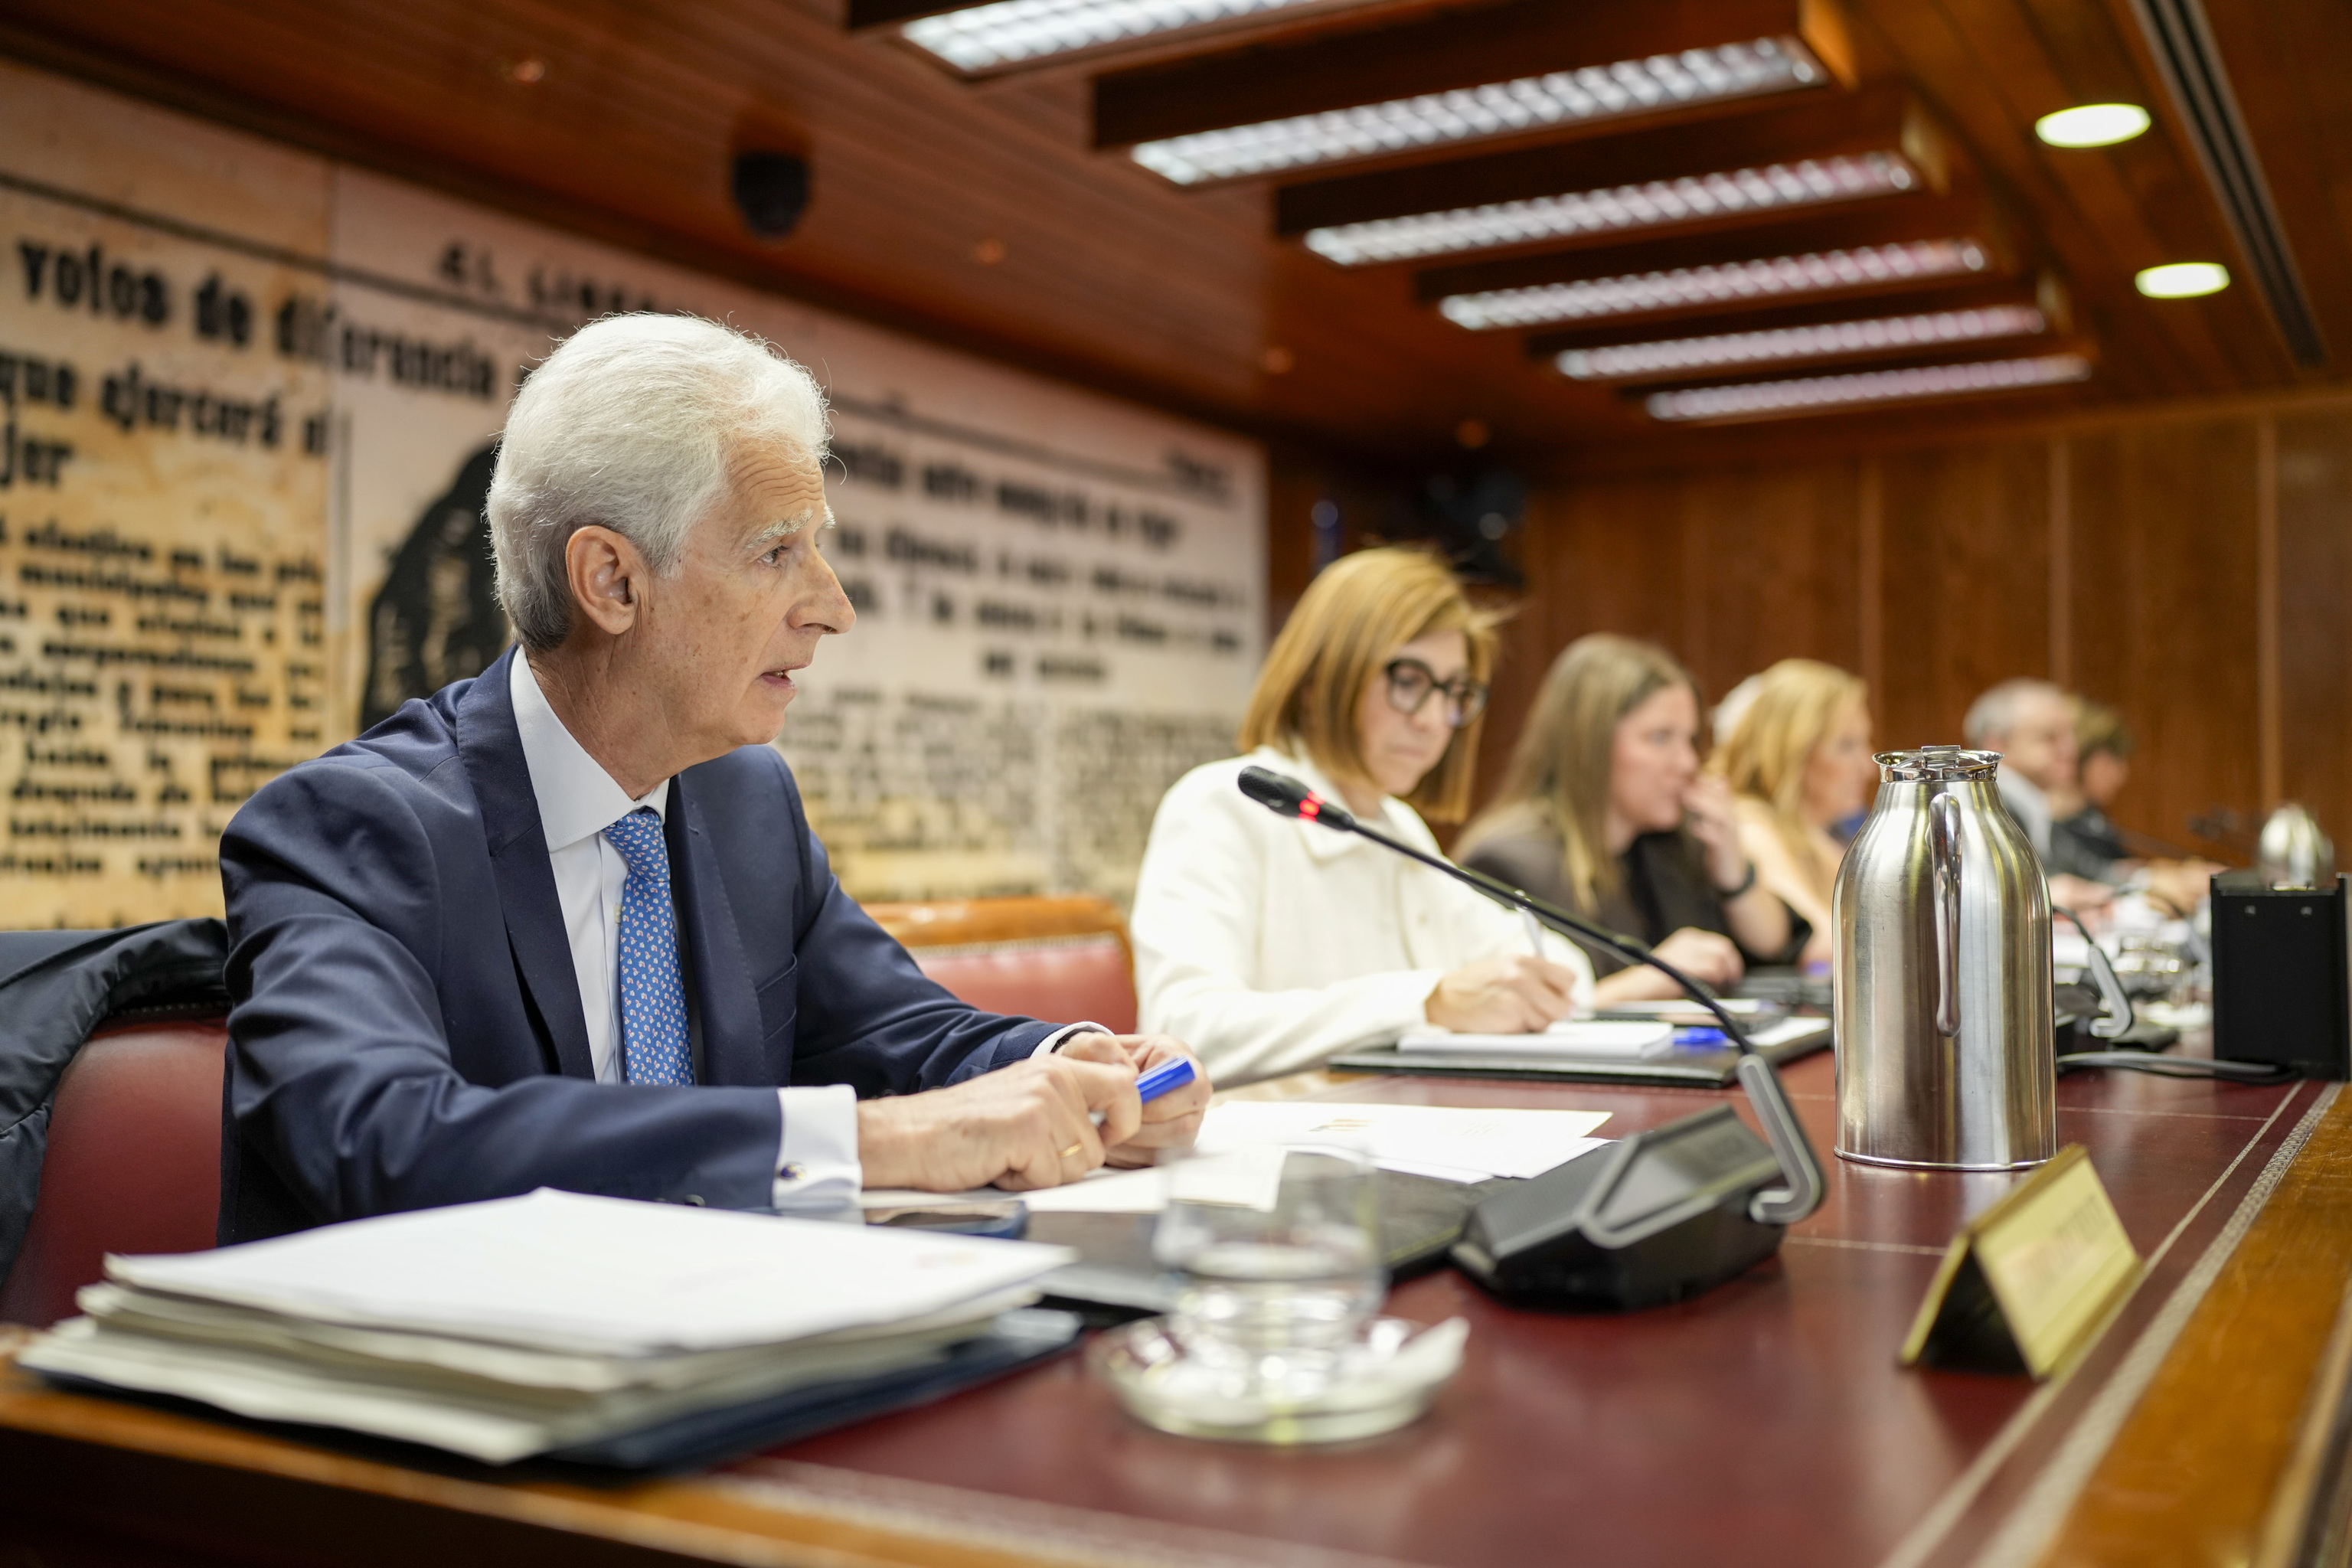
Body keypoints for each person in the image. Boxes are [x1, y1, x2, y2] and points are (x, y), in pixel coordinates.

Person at [218, 314, 1209, 1243]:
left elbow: (901, 1034)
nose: (833, 607)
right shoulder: (350, 826)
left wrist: (1073, 1068)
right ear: (612, 581)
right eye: (777, 551)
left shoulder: (747, 803)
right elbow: (381, 1142)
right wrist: (877, 1144)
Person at [1129, 548, 1592, 1086]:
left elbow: (1564, 971)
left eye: (1454, 692)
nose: (1433, 722)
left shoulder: (1398, 827)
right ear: (1324, 675)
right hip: (1267, 1157)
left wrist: (1529, 986)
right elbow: (1184, 1033)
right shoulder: (1221, 804)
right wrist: (1428, 1002)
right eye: (1409, 680)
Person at [1456, 635, 1800, 1003]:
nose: (1687, 763)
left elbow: (1777, 945)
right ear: (1591, 746)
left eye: (1690, 739)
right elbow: (1516, 1013)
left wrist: (1733, 873)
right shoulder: (1510, 862)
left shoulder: (1670, 844)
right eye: (1660, 738)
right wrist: (1653, 977)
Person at [1710, 659, 1875, 970]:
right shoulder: (1752, 826)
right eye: (1846, 745)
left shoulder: (1819, 834)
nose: (1867, 767)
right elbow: (1824, 945)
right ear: (1791, 753)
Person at [1962, 678, 2115, 914]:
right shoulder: (1980, 807)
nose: (2070, 749)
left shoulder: (2032, 802)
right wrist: (2045, 895)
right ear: (1995, 744)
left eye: (2070, 735)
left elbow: (2083, 871)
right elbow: (1973, 899)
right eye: (2049, 737)